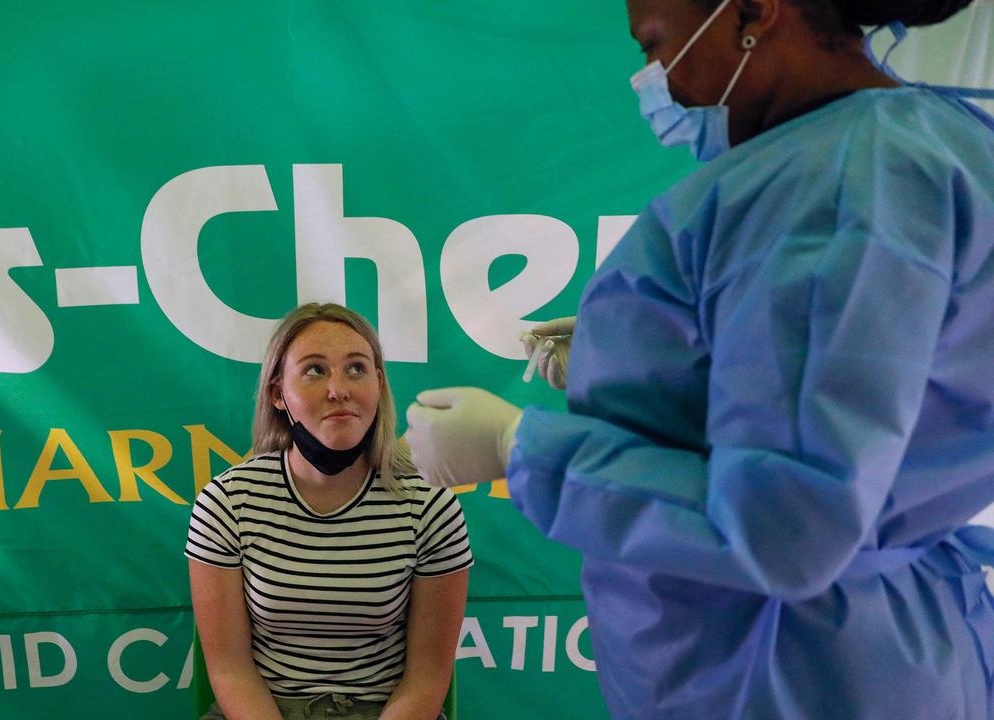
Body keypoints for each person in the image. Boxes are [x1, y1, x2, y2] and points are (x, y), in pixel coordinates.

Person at [404, 0, 994, 718]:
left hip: (787, 671)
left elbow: (785, 525)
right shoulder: (935, 144)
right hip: (870, 647)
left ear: (752, 11)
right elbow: (864, 385)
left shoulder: (826, 187)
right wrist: (625, 357)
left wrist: (519, 446)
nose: (655, 82)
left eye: (655, 47)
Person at [187, 303, 472, 720]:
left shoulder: (430, 505)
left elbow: (428, 677)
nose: (339, 389)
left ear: (378, 383)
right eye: (315, 370)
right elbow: (230, 671)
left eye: (356, 368)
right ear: (277, 393)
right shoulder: (226, 502)